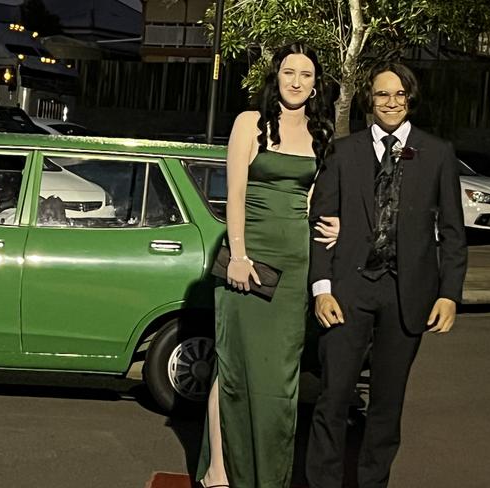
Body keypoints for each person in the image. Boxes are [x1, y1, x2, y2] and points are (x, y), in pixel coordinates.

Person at [306, 62, 467, 488]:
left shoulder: (438, 153)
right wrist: (322, 289)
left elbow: (452, 232)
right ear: (369, 101)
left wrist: (449, 294)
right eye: (382, 94)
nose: (391, 102)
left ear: (410, 99)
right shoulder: (344, 152)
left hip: (407, 294)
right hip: (348, 289)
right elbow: (321, 226)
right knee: (333, 399)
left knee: (386, 407)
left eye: (399, 95)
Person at [197, 43, 336, 488]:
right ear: (275, 76)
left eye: (306, 75)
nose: (296, 81)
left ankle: (268, 475)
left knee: (279, 375)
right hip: (248, 259)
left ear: (315, 85)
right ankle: (218, 468)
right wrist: (238, 256)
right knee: (233, 364)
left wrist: (332, 227)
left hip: (295, 264)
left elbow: (313, 202)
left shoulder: (322, 134)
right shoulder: (249, 123)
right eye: (289, 72)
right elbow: (232, 194)